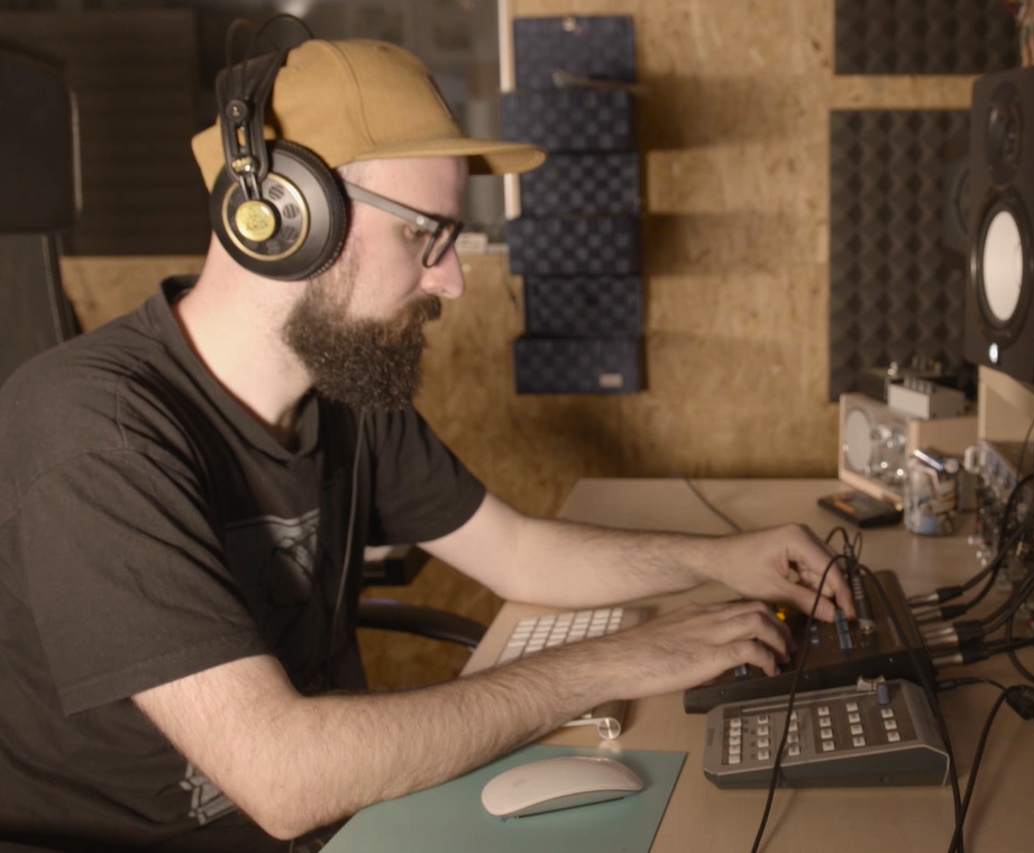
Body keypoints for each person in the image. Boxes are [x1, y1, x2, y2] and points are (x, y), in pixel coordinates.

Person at [0, 38, 852, 852]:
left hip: (350, 819)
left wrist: (725, 558)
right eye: (424, 234)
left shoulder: (342, 386)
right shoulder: (94, 431)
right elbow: (281, 775)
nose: (453, 279)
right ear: (286, 219)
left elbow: (517, 552)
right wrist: (613, 662)